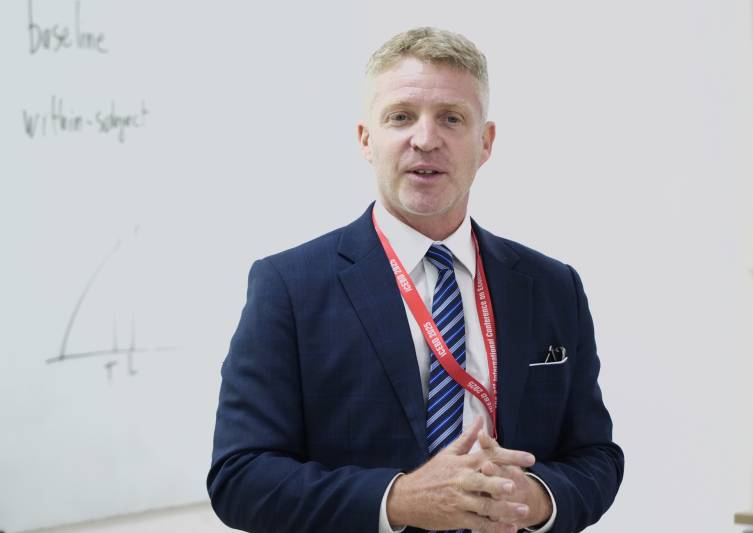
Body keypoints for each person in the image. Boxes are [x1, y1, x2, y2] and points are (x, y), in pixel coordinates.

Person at [207, 27, 623, 533]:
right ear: (366, 139)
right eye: (401, 116)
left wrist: (534, 498)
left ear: (485, 142)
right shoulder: (289, 287)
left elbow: (596, 456)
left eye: (451, 118)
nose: (426, 139)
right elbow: (240, 477)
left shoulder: (554, 287)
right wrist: (397, 500)